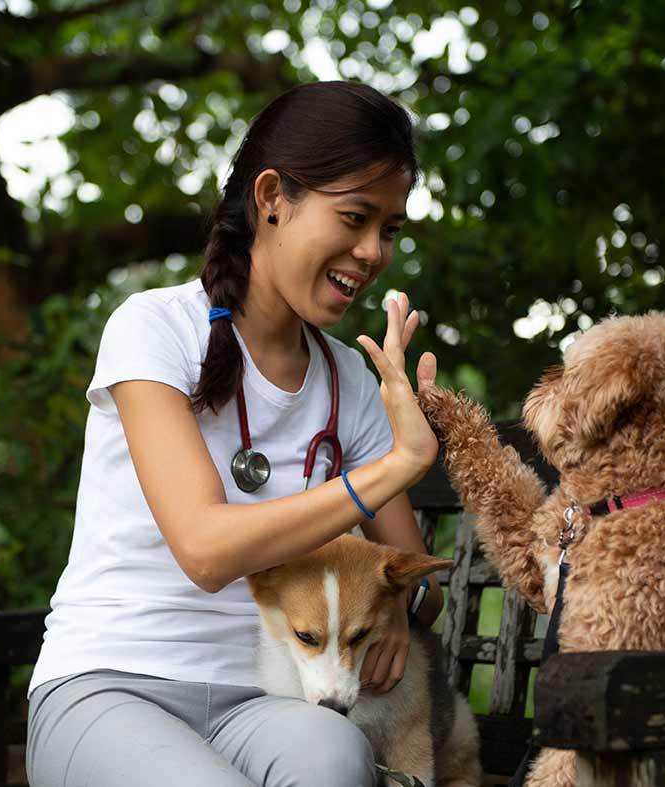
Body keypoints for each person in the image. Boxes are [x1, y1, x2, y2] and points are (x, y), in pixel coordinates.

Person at [26, 81, 443, 787]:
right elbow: (206, 549)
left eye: (390, 230)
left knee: (337, 762)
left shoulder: (349, 380)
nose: (372, 252)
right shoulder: (153, 329)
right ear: (272, 197)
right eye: (354, 217)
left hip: (262, 704)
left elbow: (409, 577)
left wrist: (396, 604)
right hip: (109, 687)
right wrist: (400, 462)